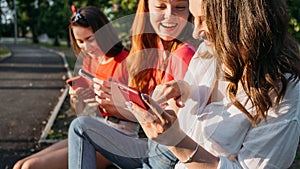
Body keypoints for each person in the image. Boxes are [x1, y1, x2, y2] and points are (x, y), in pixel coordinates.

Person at [70, 0, 300, 168]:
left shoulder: (282, 93)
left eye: (205, 21)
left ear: (241, 21)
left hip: (167, 156)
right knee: (79, 128)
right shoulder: (210, 53)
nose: (197, 31)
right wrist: (181, 88)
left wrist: (176, 141)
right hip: (162, 153)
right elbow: (198, 99)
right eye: (194, 17)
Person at [68, 0, 198, 168]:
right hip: (150, 147)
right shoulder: (153, 48)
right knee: (79, 126)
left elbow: (171, 128)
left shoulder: (184, 53)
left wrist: (123, 104)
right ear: (146, 9)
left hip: (167, 154)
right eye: (160, 7)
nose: (169, 15)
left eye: (180, 7)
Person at [13, 5, 128, 169]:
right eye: (80, 42)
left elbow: (139, 113)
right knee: (20, 165)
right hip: (94, 129)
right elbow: (81, 111)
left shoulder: (126, 61)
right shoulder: (90, 62)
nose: (85, 48)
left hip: (119, 138)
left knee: (30, 167)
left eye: (90, 39)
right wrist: (76, 99)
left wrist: (107, 101)